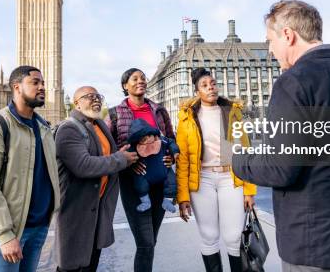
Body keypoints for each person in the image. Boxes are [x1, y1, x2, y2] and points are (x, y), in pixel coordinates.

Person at [232, 0, 330, 272]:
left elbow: (280, 168)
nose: (270, 49)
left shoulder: (293, 82)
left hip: (315, 245)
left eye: (270, 40)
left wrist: (238, 160)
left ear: (288, 35)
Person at [0, 65, 60, 272]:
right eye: (35, 83)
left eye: (43, 83)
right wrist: (4, 235)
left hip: (38, 227)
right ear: (17, 87)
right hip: (8, 232)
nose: (42, 87)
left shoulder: (43, 127)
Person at [176, 67, 257, 272]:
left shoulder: (232, 112)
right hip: (202, 179)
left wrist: (249, 190)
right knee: (209, 236)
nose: (210, 87)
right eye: (204, 85)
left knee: (233, 235)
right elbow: (183, 159)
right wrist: (182, 196)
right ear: (197, 92)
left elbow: (245, 150)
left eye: (212, 83)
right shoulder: (187, 118)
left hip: (231, 177)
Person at [55, 86, 139, 272]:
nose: (95, 100)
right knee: (71, 266)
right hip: (76, 211)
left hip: (98, 210)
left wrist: (122, 154)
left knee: (90, 264)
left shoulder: (100, 125)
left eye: (98, 96)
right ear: (76, 104)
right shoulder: (68, 129)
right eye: (89, 97)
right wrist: (120, 159)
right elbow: (84, 165)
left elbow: (106, 154)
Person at [106, 68, 175, 272]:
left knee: (151, 240)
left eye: (143, 78)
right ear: (125, 86)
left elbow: (170, 138)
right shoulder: (115, 114)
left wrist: (170, 155)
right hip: (134, 184)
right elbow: (107, 147)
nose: (141, 81)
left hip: (160, 183)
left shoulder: (159, 110)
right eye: (135, 79)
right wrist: (126, 159)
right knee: (145, 242)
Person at [127, 118, 179, 213]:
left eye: (147, 137)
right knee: (140, 184)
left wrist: (174, 153)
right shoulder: (136, 147)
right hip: (145, 174)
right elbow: (127, 154)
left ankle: (168, 201)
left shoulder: (161, 141)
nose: (146, 141)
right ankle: (145, 202)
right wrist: (130, 163)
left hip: (164, 171)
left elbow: (171, 142)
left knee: (172, 181)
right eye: (142, 139)